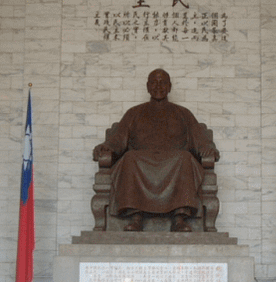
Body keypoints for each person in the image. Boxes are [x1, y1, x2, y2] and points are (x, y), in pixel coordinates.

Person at [92, 68, 219, 232]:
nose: (158, 86)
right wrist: (107, 147)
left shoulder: (183, 113)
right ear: (147, 86)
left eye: (163, 82)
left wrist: (208, 149)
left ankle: (179, 218)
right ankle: (135, 216)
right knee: (129, 158)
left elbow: (199, 138)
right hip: (141, 160)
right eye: (154, 82)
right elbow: (118, 139)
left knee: (185, 158)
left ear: (170, 86)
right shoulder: (134, 113)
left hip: (175, 160)